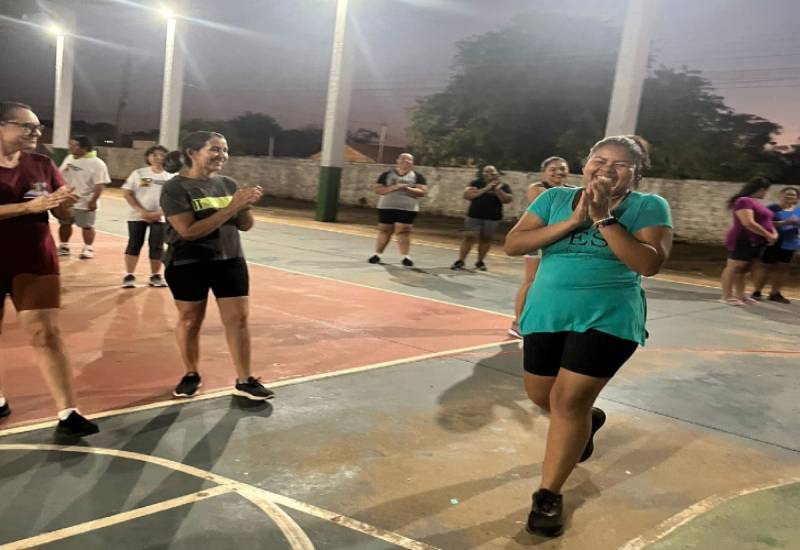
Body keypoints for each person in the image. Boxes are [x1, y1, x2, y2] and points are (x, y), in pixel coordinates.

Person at [504, 135, 672, 537]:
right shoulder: (554, 199)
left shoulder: (650, 206)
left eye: (620, 164)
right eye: (600, 160)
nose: (607, 169)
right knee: (542, 397)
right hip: (548, 312)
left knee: (567, 402)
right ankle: (589, 420)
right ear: (586, 164)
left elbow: (648, 264)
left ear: (636, 173)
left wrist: (604, 219)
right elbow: (514, 244)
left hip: (608, 317)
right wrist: (573, 221)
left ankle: (548, 496)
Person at [0, 101, 99, 436]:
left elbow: (62, 213)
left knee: (46, 333)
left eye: (38, 127)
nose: (36, 132)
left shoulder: (42, 164)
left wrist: (65, 206)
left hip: (34, 259)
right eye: (27, 126)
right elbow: (33, 206)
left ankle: (68, 411)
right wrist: (27, 207)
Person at [160, 131, 274, 401]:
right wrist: (232, 207)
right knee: (190, 320)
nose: (222, 155)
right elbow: (188, 231)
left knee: (238, 320)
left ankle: (245, 380)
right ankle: (191, 374)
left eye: (224, 150)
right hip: (188, 262)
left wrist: (244, 206)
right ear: (192, 153)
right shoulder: (175, 188)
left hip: (230, 259)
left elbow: (245, 226)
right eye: (214, 149)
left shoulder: (228, 184)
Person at [508, 157, 572, 338]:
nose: (558, 172)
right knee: (531, 281)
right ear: (544, 172)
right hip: (536, 241)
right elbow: (551, 211)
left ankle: (549, 321)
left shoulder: (571, 191)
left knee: (556, 282)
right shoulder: (537, 189)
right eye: (553, 169)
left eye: (562, 168)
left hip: (558, 243)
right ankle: (518, 323)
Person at [719, 177, 778, 306]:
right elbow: (748, 222)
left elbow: (766, 221)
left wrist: (773, 234)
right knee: (734, 267)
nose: (766, 193)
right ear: (761, 189)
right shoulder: (744, 201)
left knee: (744, 270)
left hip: (756, 241)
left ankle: (740, 296)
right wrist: (768, 234)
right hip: (743, 239)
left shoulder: (755, 202)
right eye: (766, 191)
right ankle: (726, 296)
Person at [121, 145, 172, 288]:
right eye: (154, 155)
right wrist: (142, 212)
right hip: (137, 216)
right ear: (148, 157)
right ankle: (129, 275)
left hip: (160, 217)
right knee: (134, 244)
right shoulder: (139, 173)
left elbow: (175, 199)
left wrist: (159, 213)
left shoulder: (171, 176)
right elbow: (127, 193)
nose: (158, 158)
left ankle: (155, 276)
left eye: (162, 155)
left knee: (157, 246)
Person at [367, 153, 428, 267]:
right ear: (398, 161)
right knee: (385, 230)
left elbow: (422, 192)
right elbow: (378, 190)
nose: (407, 161)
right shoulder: (386, 174)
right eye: (404, 159)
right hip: (387, 207)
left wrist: (407, 189)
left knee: (403, 231)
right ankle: (377, 255)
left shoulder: (417, 176)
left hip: (407, 208)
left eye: (410, 160)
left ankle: (405, 257)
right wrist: (394, 187)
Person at [450, 165, 512, 271]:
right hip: (474, 215)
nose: (489, 174)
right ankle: (460, 261)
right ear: (483, 173)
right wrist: (486, 188)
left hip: (493, 217)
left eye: (492, 172)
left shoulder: (504, 186)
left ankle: (480, 261)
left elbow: (507, 200)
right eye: (486, 172)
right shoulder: (476, 183)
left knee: (486, 239)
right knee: (469, 237)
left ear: (497, 173)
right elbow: (467, 195)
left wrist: (498, 190)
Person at [57, 135, 111, 259]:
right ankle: (64, 246)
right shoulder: (69, 158)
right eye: (70, 144)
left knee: (87, 226)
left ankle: (88, 248)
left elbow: (100, 185)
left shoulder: (97, 164)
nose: (70, 147)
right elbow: (60, 174)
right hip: (67, 200)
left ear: (84, 148)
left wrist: (93, 201)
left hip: (85, 201)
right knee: (65, 224)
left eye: (73, 145)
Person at [751, 186, 800, 303]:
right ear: (781, 195)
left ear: (797, 198)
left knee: (783, 268)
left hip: (789, 243)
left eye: (793, 195)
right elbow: (762, 223)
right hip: (772, 241)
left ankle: (775, 293)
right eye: (787, 194)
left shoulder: (798, 211)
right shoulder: (772, 208)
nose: (789, 196)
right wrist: (784, 223)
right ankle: (757, 292)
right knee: (765, 267)